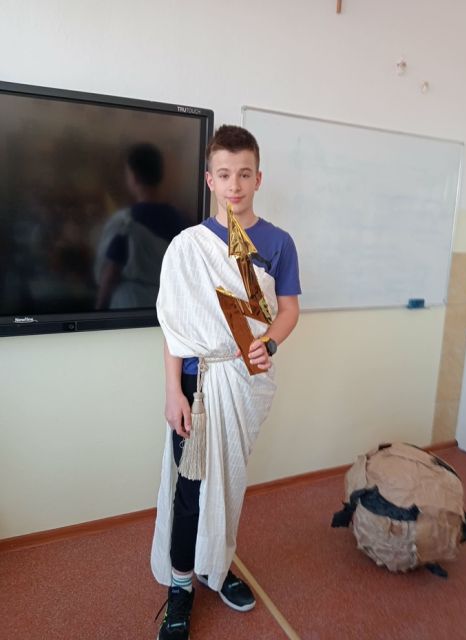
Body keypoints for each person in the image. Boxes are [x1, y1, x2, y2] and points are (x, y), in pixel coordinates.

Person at [151, 125, 301, 639]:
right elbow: (175, 329)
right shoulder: (188, 247)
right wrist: (172, 392)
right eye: (224, 174)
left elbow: (288, 310)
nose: (234, 185)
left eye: (244, 174)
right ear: (209, 180)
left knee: (230, 484)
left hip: (244, 384)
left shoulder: (278, 243)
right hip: (196, 387)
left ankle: (215, 565)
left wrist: (271, 342)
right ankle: (180, 588)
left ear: (258, 178)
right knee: (190, 490)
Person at [95, 143, 185, 309]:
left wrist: (98, 310)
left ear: (133, 177)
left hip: (129, 306)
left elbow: (111, 272)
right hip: (166, 306)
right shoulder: (178, 220)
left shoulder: (126, 221)